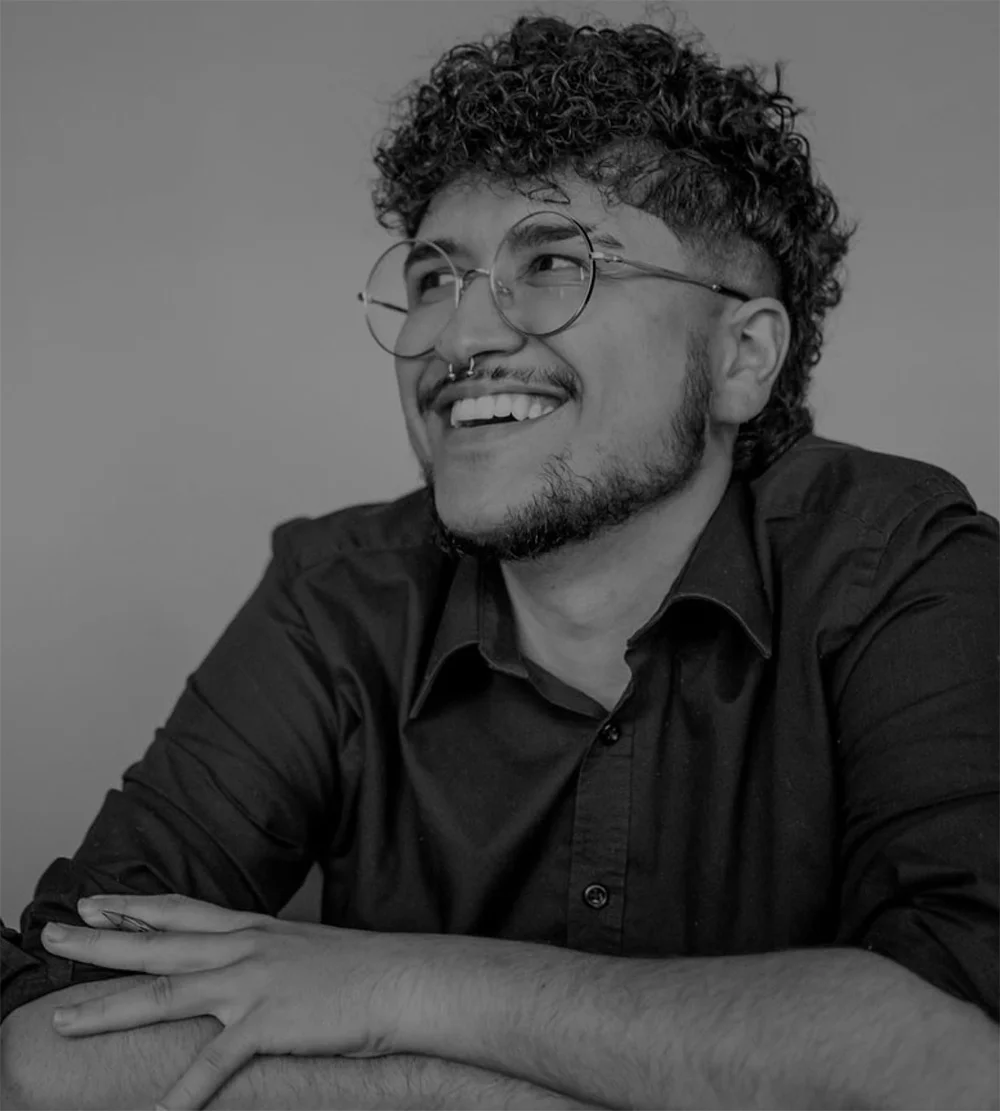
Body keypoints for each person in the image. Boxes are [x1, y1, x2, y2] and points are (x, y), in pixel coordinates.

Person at [2, 10, 997, 1111]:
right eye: (435, 278)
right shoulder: (334, 595)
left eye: (555, 263)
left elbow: (955, 1062)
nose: (459, 335)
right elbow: (45, 1039)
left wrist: (396, 986)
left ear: (740, 357)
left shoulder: (904, 568)